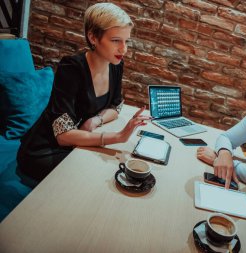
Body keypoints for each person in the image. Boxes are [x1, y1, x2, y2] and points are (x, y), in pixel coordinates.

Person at [17, 3, 150, 184]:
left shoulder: (116, 65)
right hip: (45, 149)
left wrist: (96, 120)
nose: (124, 49)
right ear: (93, 37)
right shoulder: (71, 68)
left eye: (126, 41)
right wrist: (118, 136)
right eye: (116, 40)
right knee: (98, 177)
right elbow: (63, 136)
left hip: (78, 142)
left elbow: (116, 106)